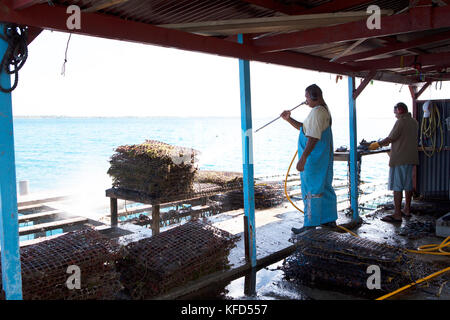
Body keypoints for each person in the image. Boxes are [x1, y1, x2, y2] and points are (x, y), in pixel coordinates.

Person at [281, 84, 338, 234]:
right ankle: (328, 220)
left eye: (306, 97)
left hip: (314, 159)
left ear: (314, 96)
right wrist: (289, 119)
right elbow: (305, 128)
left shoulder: (318, 112)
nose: (305, 100)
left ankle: (310, 224)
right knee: (324, 187)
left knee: (311, 190)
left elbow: (312, 137)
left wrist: (303, 158)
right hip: (321, 159)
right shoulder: (321, 110)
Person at [368, 102, 419, 223]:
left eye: (395, 110)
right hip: (410, 158)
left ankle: (397, 214)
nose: (394, 113)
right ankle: (406, 209)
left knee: (397, 186)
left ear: (400, 110)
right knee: (407, 185)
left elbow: (391, 138)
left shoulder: (401, 121)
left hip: (400, 158)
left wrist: (377, 144)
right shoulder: (414, 122)